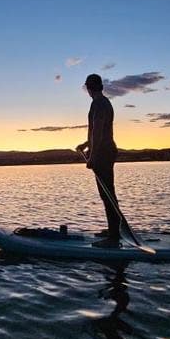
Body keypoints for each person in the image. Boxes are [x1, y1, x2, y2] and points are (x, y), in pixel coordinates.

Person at [76, 74, 120, 248]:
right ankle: (113, 230)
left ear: (89, 88)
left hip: (103, 153)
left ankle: (114, 236)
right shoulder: (103, 103)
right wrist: (86, 144)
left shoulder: (99, 104)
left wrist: (92, 156)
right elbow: (97, 132)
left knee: (107, 194)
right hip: (105, 151)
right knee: (107, 193)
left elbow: (98, 132)